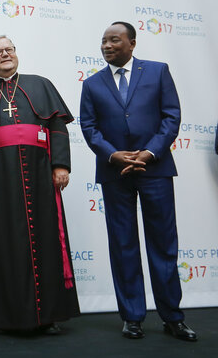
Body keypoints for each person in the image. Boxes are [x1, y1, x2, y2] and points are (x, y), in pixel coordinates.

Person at [80, 21, 197, 341]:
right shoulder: (92, 84)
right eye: (103, 41)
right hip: (114, 172)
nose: (106, 46)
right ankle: (132, 316)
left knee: (163, 244)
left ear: (132, 43)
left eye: (114, 40)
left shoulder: (158, 71)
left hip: (154, 169)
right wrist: (113, 155)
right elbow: (89, 128)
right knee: (123, 244)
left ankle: (172, 316)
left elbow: (171, 117)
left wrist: (149, 153)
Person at [0, 35, 79, 334]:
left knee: (47, 240)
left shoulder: (40, 84)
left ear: (16, 54)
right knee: (3, 243)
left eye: (9, 49)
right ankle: (4, 316)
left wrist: (61, 165)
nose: (4, 54)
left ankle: (49, 315)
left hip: (41, 174)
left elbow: (57, 128)